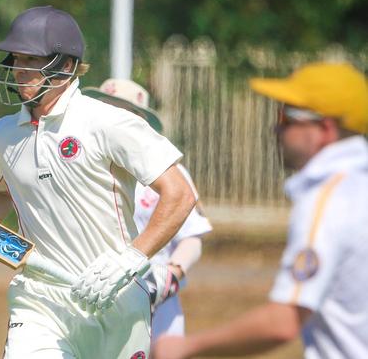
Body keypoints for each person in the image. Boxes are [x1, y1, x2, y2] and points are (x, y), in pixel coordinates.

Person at [0, 6, 197, 358]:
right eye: (15, 58)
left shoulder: (108, 122)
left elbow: (179, 195)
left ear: (65, 66)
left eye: (31, 59)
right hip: (39, 299)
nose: (17, 69)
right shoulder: (3, 134)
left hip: (115, 295)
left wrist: (132, 258)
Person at [153, 62, 368, 359]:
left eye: (286, 116)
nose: (276, 127)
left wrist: (184, 347)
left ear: (325, 129)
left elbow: (283, 321)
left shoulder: (328, 200)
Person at [83, 78, 213, 340]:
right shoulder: (80, 167)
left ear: (139, 121)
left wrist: (172, 275)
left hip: (157, 295)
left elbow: (192, 236)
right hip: (91, 293)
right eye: (105, 108)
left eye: (121, 111)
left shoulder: (170, 176)